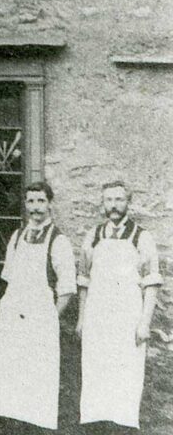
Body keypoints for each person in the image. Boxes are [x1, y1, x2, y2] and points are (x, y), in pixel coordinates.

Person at [0, 181, 76, 433]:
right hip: (13, 318)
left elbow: (66, 289)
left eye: (41, 201)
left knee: (36, 380)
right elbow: (9, 277)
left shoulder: (59, 241)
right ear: (25, 204)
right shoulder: (17, 236)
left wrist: (49, 321)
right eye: (31, 201)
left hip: (40, 321)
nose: (35, 207)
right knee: (6, 374)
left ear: (50, 204)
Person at [77, 180, 162, 432]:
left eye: (119, 200)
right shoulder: (93, 236)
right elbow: (84, 279)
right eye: (109, 200)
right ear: (102, 204)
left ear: (129, 202)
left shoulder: (141, 237)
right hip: (97, 318)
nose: (114, 206)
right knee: (96, 378)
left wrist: (144, 323)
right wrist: (82, 319)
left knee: (125, 380)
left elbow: (151, 282)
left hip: (127, 320)